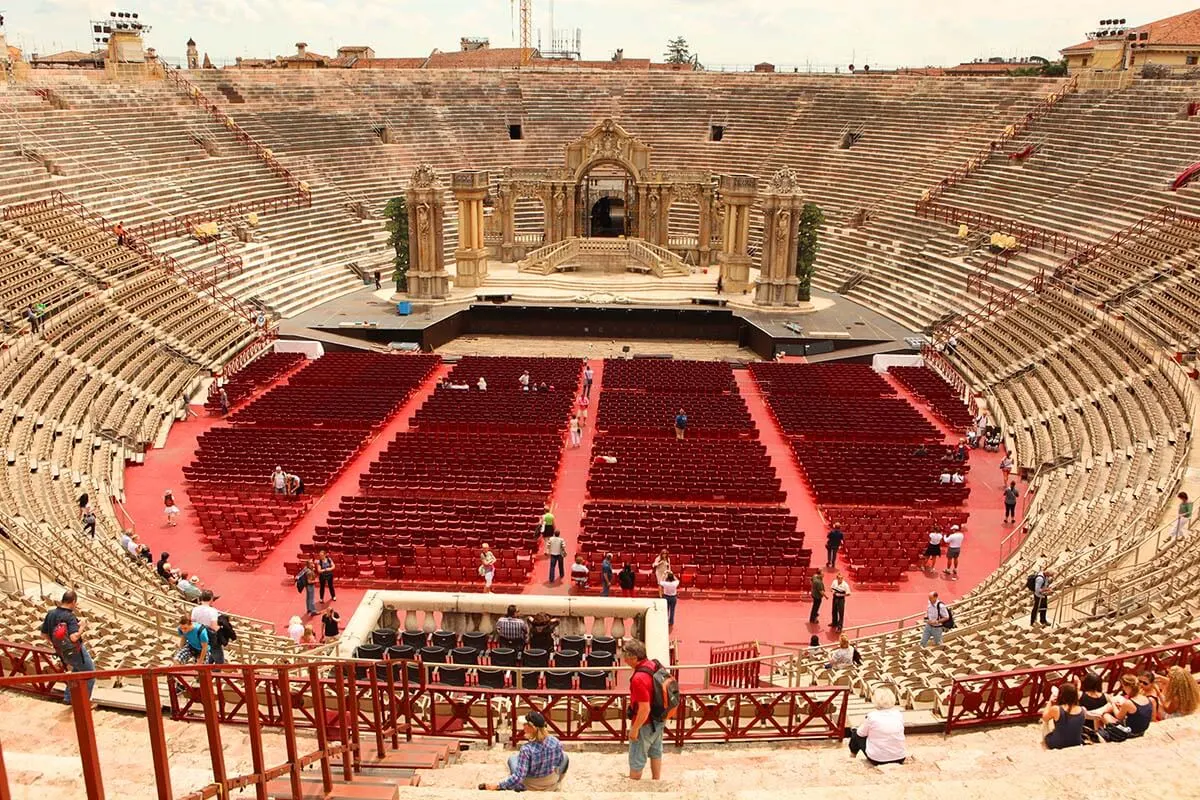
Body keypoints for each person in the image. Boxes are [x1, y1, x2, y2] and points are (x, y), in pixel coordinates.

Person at [480, 711, 569, 791]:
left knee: (512, 759)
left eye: (524, 724)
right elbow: (559, 762)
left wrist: (498, 785)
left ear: (531, 727)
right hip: (551, 780)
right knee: (565, 757)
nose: (523, 727)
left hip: (531, 784)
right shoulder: (555, 741)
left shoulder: (526, 749)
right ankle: (557, 783)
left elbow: (518, 777)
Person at [40, 590, 95, 706]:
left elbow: (44, 635)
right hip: (75, 651)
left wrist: (57, 644)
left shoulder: (50, 613)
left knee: (76, 670)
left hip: (61, 652)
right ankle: (84, 703)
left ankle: (68, 698)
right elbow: (74, 638)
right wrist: (82, 627)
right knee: (90, 674)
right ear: (73, 601)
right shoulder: (69, 616)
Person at [623, 639, 664, 781]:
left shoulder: (638, 678)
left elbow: (644, 708)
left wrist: (634, 729)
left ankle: (634, 783)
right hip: (658, 719)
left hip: (644, 723)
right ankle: (656, 781)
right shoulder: (653, 664)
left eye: (626, 656)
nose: (624, 660)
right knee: (656, 751)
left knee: (636, 759)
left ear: (634, 658)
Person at [847, 686, 906, 765]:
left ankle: (852, 755)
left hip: (878, 759)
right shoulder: (898, 714)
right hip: (900, 757)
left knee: (855, 733)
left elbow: (860, 733)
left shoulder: (872, 716)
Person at [1104, 674, 1156, 738]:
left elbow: (1119, 717)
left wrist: (1113, 704)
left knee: (1105, 715)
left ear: (1128, 687)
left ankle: (1106, 736)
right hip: (1142, 731)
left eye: (1123, 686)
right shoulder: (1146, 698)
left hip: (1130, 733)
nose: (1123, 688)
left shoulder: (1128, 703)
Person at [1042, 682, 1086, 749]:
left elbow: (1044, 717)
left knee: (1045, 722)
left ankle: (1044, 744)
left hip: (1058, 743)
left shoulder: (1056, 709)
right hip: (1076, 742)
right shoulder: (1083, 710)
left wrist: (1050, 702)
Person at [191, 589, 221, 660]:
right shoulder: (213, 611)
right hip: (208, 638)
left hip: (197, 636)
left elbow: (193, 623)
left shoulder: (195, 609)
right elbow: (214, 627)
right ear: (211, 599)